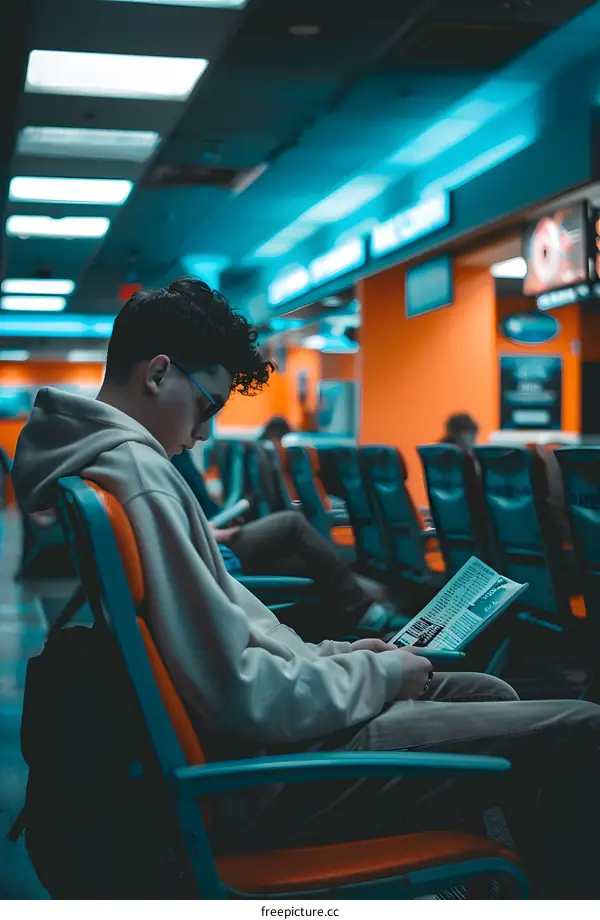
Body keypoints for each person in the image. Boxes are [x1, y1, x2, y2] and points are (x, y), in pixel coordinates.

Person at [10, 277, 600, 898]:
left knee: (485, 690)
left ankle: (487, 881)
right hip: (270, 775)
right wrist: (374, 678)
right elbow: (240, 692)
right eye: (208, 406)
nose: (205, 433)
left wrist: (348, 657)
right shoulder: (143, 479)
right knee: (582, 726)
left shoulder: (109, 467)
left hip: (266, 743)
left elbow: (232, 647)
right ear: (158, 374)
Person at [171, 448, 391, 632]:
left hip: (209, 544)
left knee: (308, 562)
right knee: (291, 524)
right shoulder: (156, 462)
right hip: (213, 553)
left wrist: (205, 526)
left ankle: (365, 614)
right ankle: (365, 608)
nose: (201, 433)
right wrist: (205, 532)